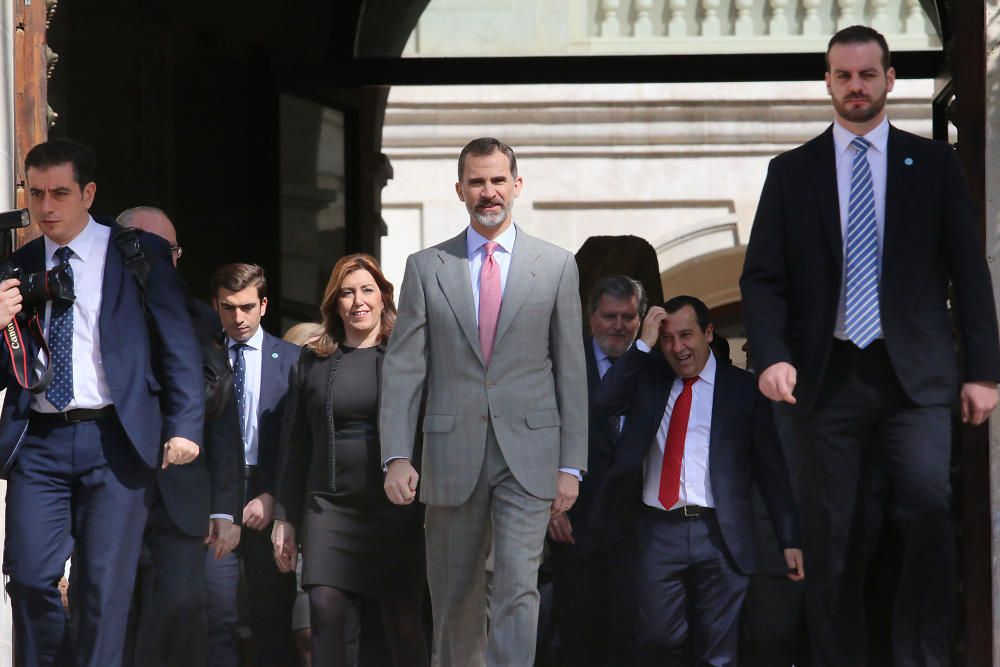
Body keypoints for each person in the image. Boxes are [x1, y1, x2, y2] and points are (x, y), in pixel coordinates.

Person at [739, 25, 1000, 666]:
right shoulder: (791, 172)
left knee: (926, 511)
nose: (855, 86)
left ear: (890, 80)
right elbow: (762, 278)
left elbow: (969, 271)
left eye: (866, 74)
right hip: (828, 379)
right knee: (832, 537)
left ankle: (924, 658)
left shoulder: (932, 164)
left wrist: (984, 372)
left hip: (914, 377)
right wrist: (770, 354)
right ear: (828, 82)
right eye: (843, 75)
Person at [379, 137, 588, 666]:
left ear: (517, 185)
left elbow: (570, 370)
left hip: (530, 453)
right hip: (451, 452)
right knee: (453, 597)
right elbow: (405, 367)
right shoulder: (427, 267)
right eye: (477, 182)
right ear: (459, 190)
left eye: (498, 180)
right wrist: (397, 455)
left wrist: (572, 465)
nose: (488, 192)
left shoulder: (558, 265)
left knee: (519, 590)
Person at [0, 139, 204, 666]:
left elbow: (177, 343)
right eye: (37, 192)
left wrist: (184, 425)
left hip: (115, 440)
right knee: (28, 579)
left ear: (88, 193)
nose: (46, 207)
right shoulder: (14, 266)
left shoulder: (135, 253)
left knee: (102, 591)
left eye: (60, 193)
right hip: (38, 443)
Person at [591, 295, 802, 666]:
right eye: (668, 338)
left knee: (718, 652)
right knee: (656, 640)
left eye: (686, 335)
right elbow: (604, 402)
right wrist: (642, 344)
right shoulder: (650, 381)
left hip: (720, 532)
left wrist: (789, 538)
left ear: (708, 333)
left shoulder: (743, 389)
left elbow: (772, 470)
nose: (677, 347)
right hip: (658, 531)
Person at [272, 254, 428, 667]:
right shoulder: (314, 360)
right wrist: (285, 518)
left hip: (396, 510)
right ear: (334, 303)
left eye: (366, 290)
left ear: (382, 298)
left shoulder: (407, 356)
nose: (357, 301)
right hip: (329, 506)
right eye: (346, 292)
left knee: (402, 621)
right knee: (323, 610)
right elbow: (297, 444)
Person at [116, 206, 243, 667]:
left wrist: (225, 506)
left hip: (182, 499)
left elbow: (224, 422)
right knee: (114, 620)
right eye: (134, 247)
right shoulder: (90, 315)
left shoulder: (200, 321)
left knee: (181, 614)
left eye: (161, 250)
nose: (145, 259)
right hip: (113, 492)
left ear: (177, 257)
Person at [205, 263, 300, 667]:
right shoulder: (200, 358)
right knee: (217, 616)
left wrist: (274, 496)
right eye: (228, 307)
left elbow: (299, 441)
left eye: (246, 307)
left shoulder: (293, 360)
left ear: (263, 305)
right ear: (216, 306)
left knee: (272, 616)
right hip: (214, 501)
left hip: (269, 493)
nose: (238, 318)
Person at [547, 274, 645, 666]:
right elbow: (537, 432)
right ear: (591, 318)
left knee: (630, 633)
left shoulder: (651, 364)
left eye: (627, 317)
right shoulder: (560, 362)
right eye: (609, 316)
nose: (618, 326)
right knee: (577, 633)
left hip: (635, 524)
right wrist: (547, 506)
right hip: (575, 519)